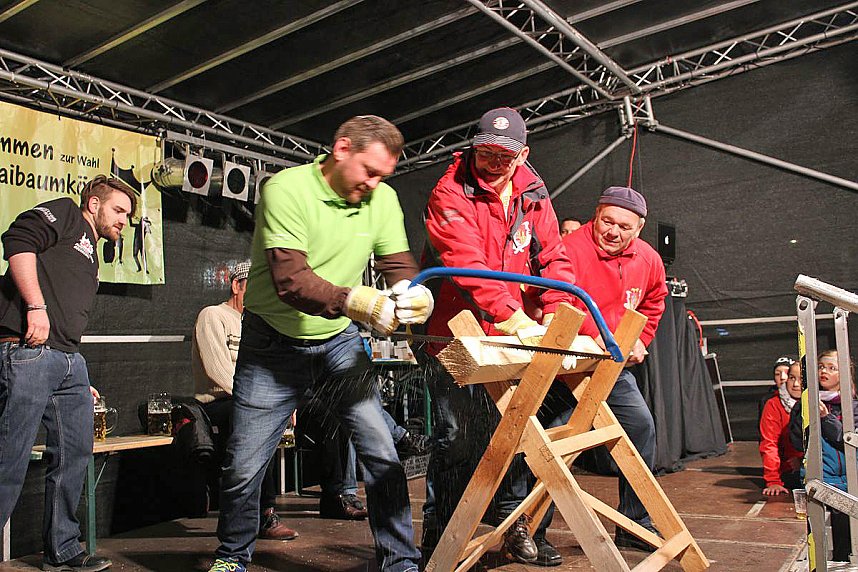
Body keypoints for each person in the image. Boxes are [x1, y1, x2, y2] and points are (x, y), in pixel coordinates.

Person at [207, 115, 433, 572]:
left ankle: (401, 563)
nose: (373, 184)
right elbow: (291, 281)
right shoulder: (285, 189)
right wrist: (357, 300)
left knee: (381, 452)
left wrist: (414, 293)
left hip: (338, 342)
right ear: (341, 148)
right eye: (369, 171)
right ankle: (232, 557)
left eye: (382, 176)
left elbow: (397, 265)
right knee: (244, 466)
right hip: (272, 345)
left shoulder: (382, 198)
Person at [422, 107, 577, 566]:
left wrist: (554, 312)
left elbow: (553, 255)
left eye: (504, 155)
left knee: (517, 431)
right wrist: (512, 316)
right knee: (455, 439)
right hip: (458, 336)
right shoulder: (448, 193)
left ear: (523, 154)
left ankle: (515, 525)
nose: (493, 161)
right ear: (474, 144)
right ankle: (440, 540)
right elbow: (466, 264)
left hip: (516, 333)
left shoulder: (533, 191)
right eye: (485, 151)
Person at [0, 175, 136, 572]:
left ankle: (62, 550)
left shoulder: (91, 249)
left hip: (67, 360)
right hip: (29, 351)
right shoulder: (66, 213)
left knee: (75, 453)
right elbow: (18, 241)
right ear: (93, 204)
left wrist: (75, 373)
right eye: (118, 210)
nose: (124, 220)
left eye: (128, 215)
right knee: (9, 458)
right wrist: (35, 307)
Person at [554, 185, 667, 551]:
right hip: (563, 365)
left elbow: (654, 302)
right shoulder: (569, 249)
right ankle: (530, 532)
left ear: (639, 229)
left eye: (624, 227)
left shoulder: (649, 259)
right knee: (549, 440)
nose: (614, 232)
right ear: (596, 214)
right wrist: (595, 334)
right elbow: (558, 299)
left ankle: (634, 523)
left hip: (611, 368)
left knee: (640, 427)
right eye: (607, 222)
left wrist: (641, 339)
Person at [192, 260, 297, 540]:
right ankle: (263, 514)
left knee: (324, 408)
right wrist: (260, 402)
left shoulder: (260, 325)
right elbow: (217, 370)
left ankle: (339, 492)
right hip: (218, 402)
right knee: (255, 419)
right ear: (237, 286)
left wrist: (283, 401)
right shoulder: (213, 315)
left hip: (251, 401)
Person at [789, 351, 857, 562]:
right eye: (820, 367)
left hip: (848, 482)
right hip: (819, 480)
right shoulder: (805, 402)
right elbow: (795, 439)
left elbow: (844, 438)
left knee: (845, 540)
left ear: (845, 373)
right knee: (817, 540)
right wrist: (804, 411)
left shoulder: (852, 405)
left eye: (831, 368)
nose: (824, 371)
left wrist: (825, 418)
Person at [759, 357, 803, 495]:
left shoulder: (823, 402)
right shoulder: (773, 404)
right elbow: (769, 444)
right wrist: (773, 481)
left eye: (801, 379)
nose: (795, 384)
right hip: (790, 470)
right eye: (791, 378)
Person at [758, 356, 794, 436]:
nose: (782, 377)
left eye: (787, 373)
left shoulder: (809, 397)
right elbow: (766, 435)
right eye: (777, 374)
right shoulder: (769, 401)